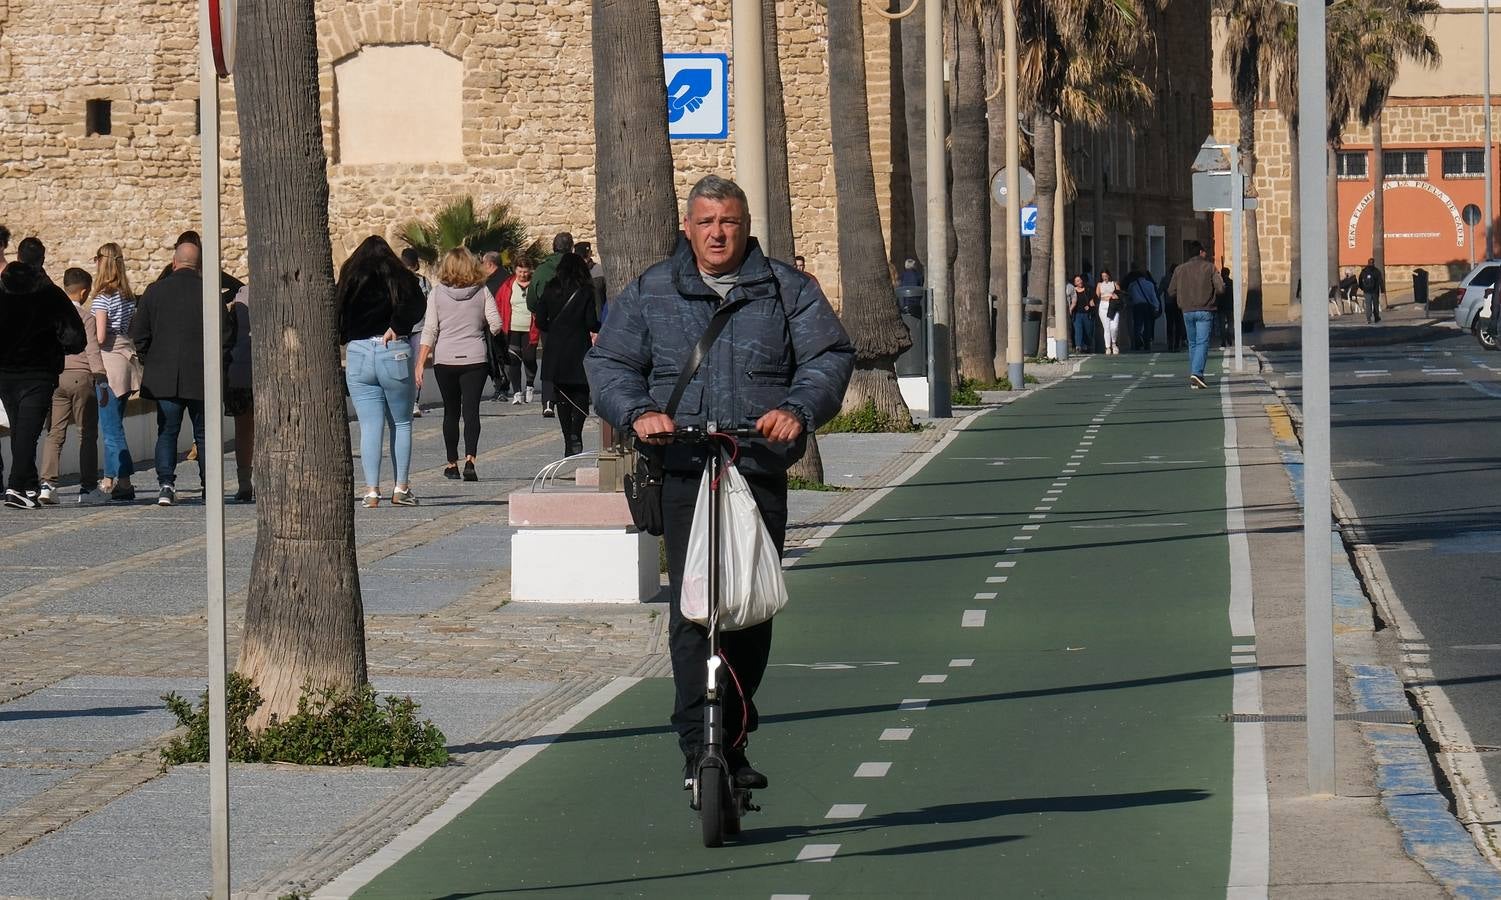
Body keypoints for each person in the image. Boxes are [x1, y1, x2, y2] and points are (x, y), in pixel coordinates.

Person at [586, 174, 855, 793]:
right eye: (705, 221)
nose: (717, 232)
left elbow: (828, 357)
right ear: (687, 226)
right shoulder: (653, 291)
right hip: (683, 470)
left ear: (746, 226)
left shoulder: (787, 289)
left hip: (754, 469)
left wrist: (797, 408)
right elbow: (609, 363)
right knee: (694, 607)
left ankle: (732, 732)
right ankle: (697, 744)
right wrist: (637, 413)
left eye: (728, 221)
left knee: (750, 605)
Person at [132, 243, 234, 507]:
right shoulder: (210, 292)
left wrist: (150, 360)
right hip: (202, 375)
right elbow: (225, 336)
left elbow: (139, 334)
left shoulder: (154, 291)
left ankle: (166, 485)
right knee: (204, 434)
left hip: (164, 375)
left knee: (166, 431)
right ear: (199, 266)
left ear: (174, 262)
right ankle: (208, 486)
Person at [337, 235, 426, 508]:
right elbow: (417, 304)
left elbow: (337, 310)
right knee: (400, 422)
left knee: (369, 426)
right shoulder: (400, 276)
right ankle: (401, 487)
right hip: (393, 350)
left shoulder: (350, 277)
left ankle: (371, 491)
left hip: (359, 352)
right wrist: (397, 325)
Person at [0, 238, 87, 508]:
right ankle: (16, 486)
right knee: (28, 431)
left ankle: (27, 485)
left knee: (19, 430)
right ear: (42, 259)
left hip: (5, 373)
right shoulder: (50, 294)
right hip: (37, 373)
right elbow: (74, 338)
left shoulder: (2, 291)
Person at [418, 247, 502, 482]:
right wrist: (479, 325)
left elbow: (430, 330)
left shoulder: (436, 294)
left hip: (445, 359)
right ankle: (470, 460)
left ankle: (451, 463)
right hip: (475, 358)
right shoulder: (482, 291)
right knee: (471, 411)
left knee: (451, 412)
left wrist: (420, 363)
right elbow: (496, 324)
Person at [40, 268, 107, 504]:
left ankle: (47, 485)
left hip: (57, 377)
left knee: (55, 432)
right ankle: (88, 488)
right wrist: (102, 380)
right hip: (81, 377)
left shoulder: (52, 315)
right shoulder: (86, 317)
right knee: (86, 434)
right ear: (85, 291)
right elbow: (92, 350)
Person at [90, 243, 143, 501]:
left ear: (103, 262)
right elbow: (131, 331)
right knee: (114, 424)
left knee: (110, 430)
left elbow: (99, 337)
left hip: (108, 365)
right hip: (126, 361)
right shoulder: (128, 297)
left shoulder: (101, 298)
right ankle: (109, 478)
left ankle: (124, 480)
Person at [535, 252, 600, 457]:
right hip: (578, 346)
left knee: (561, 395)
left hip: (555, 347)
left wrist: (553, 328)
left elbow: (540, 321)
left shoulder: (550, 288)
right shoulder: (586, 291)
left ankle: (566, 439)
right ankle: (576, 434)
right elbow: (591, 322)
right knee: (580, 392)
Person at [528, 233, 575, 417]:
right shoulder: (576, 268)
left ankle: (548, 401)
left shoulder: (541, 270)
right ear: (571, 247)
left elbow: (531, 299)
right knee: (571, 360)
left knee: (549, 360)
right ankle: (569, 398)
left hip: (548, 322)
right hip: (572, 322)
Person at [1166, 242, 1225, 390]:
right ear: (1201, 252)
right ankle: (1197, 373)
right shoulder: (1210, 267)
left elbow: (1171, 291)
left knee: (1192, 343)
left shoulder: (1179, 269)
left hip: (1187, 310)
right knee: (1202, 342)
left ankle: (1196, 375)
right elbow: (1221, 288)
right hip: (1205, 309)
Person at [224, 285, 255, 502]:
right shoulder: (280, 293)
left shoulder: (238, 298)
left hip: (238, 372)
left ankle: (244, 482)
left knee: (242, 430)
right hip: (267, 373)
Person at [497, 257, 541, 407]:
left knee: (529, 358)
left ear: (530, 271)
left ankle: (529, 384)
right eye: (520, 271)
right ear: (515, 270)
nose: (522, 274)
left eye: (525, 271)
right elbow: (499, 302)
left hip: (530, 329)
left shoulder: (535, 284)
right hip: (512, 329)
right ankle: (516, 392)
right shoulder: (508, 285)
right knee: (513, 360)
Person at [401, 248, 430, 417]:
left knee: (418, 365)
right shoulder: (398, 282)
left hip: (420, 328)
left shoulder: (425, 282)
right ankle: (405, 400)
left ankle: (414, 402)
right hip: (402, 329)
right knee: (402, 367)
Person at [480, 250, 511, 402]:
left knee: (495, 358)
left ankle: (501, 388)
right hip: (506, 325)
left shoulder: (491, 283)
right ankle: (503, 387)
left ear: (489, 264)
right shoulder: (509, 278)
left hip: (494, 327)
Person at [1126, 268, 1161, 352]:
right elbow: (1153, 296)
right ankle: (1147, 343)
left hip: (1137, 306)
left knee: (1137, 325)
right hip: (1147, 306)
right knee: (1147, 325)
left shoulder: (1132, 285)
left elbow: (1129, 296)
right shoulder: (1149, 284)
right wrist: (1156, 307)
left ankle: (1137, 343)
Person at [1095, 269, 1121, 355]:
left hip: (1113, 306)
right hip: (1103, 306)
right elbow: (1097, 295)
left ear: (1109, 275)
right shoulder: (1099, 284)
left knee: (1114, 327)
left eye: (1105, 276)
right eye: (1102, 276)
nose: (1104, 278)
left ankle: (1114, 343)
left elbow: (1119, 294)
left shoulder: (1114, 283)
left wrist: (1115, 296)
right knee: (1106, 327)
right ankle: (1108, 347)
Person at [1068, 274, 1094, 353]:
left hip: (1087, 313)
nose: (1080, 282)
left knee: (1088, 330)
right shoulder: (1073, 290)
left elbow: (1092, 300)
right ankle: (1078, 346)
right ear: (1075, 283)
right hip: (1077, 313)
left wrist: (1089, 306)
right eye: (1078, 281)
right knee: (1078, 329)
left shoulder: (1088, 289)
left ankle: (1087, 345)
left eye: (1080, 280)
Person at [1161, 264, 1185, 351]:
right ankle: (1177, 344)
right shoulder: (1181, 279)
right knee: (1179, 324)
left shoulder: (1165, 279)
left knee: (1170, 324)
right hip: (1178, 304)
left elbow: (1160, 291)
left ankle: (1170, 343)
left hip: (1169, 303)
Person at [1359, 257, 1383, 324]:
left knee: (1368, 305)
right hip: (1375, 291)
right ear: (1373, 263)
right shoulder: (1376, 271)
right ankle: (1376, 318)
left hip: (1366, 291)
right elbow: (1380, 280)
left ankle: (1368, 318)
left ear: (1368, 262)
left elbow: (1360, 280)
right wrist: (1382, 289)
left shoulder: (1364, 271)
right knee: (1375, 304)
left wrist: (1362, 288)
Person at [1216, 267, 1235, 348]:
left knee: (1221, 324)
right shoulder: (1231, 283)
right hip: (1230, 306)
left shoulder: (1219, 283)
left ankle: (1223, 340)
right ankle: (1229, 335)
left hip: (1221, 306)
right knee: (1230, 323)